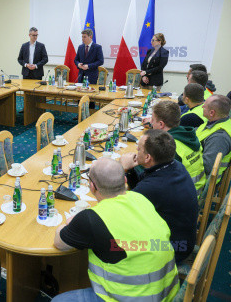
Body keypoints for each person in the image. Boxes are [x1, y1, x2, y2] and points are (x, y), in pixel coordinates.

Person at [53, 158, 179, 302]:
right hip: (167, 293)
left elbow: (59, 243)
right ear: (125, 180)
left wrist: (71, 222)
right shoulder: (139, 198)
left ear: (92, 186)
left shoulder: (91, 218)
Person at [120, 129, 198, 263]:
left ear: (148, 157)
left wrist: (122, 169)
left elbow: (121, 210)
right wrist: (131, 170)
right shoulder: (175, 165)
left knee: (111, 243)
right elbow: (143, 185)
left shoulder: (152, 188)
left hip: (173, 248)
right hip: (184, 240)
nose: (135, 152)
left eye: (138, 149)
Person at [150, 101, 206, 195]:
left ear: (161, 124)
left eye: (152, 119)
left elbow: (155, 177)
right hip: (194, 191)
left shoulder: (169, 147)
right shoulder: (188, 136)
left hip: (183, 198)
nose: (150, 122)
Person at [196, 94, 231, 180]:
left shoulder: (220, 137)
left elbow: (207, 167)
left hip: (199, 183)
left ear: (212, 113)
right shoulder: (217, 122)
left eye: (205, 106)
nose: (202, 106)